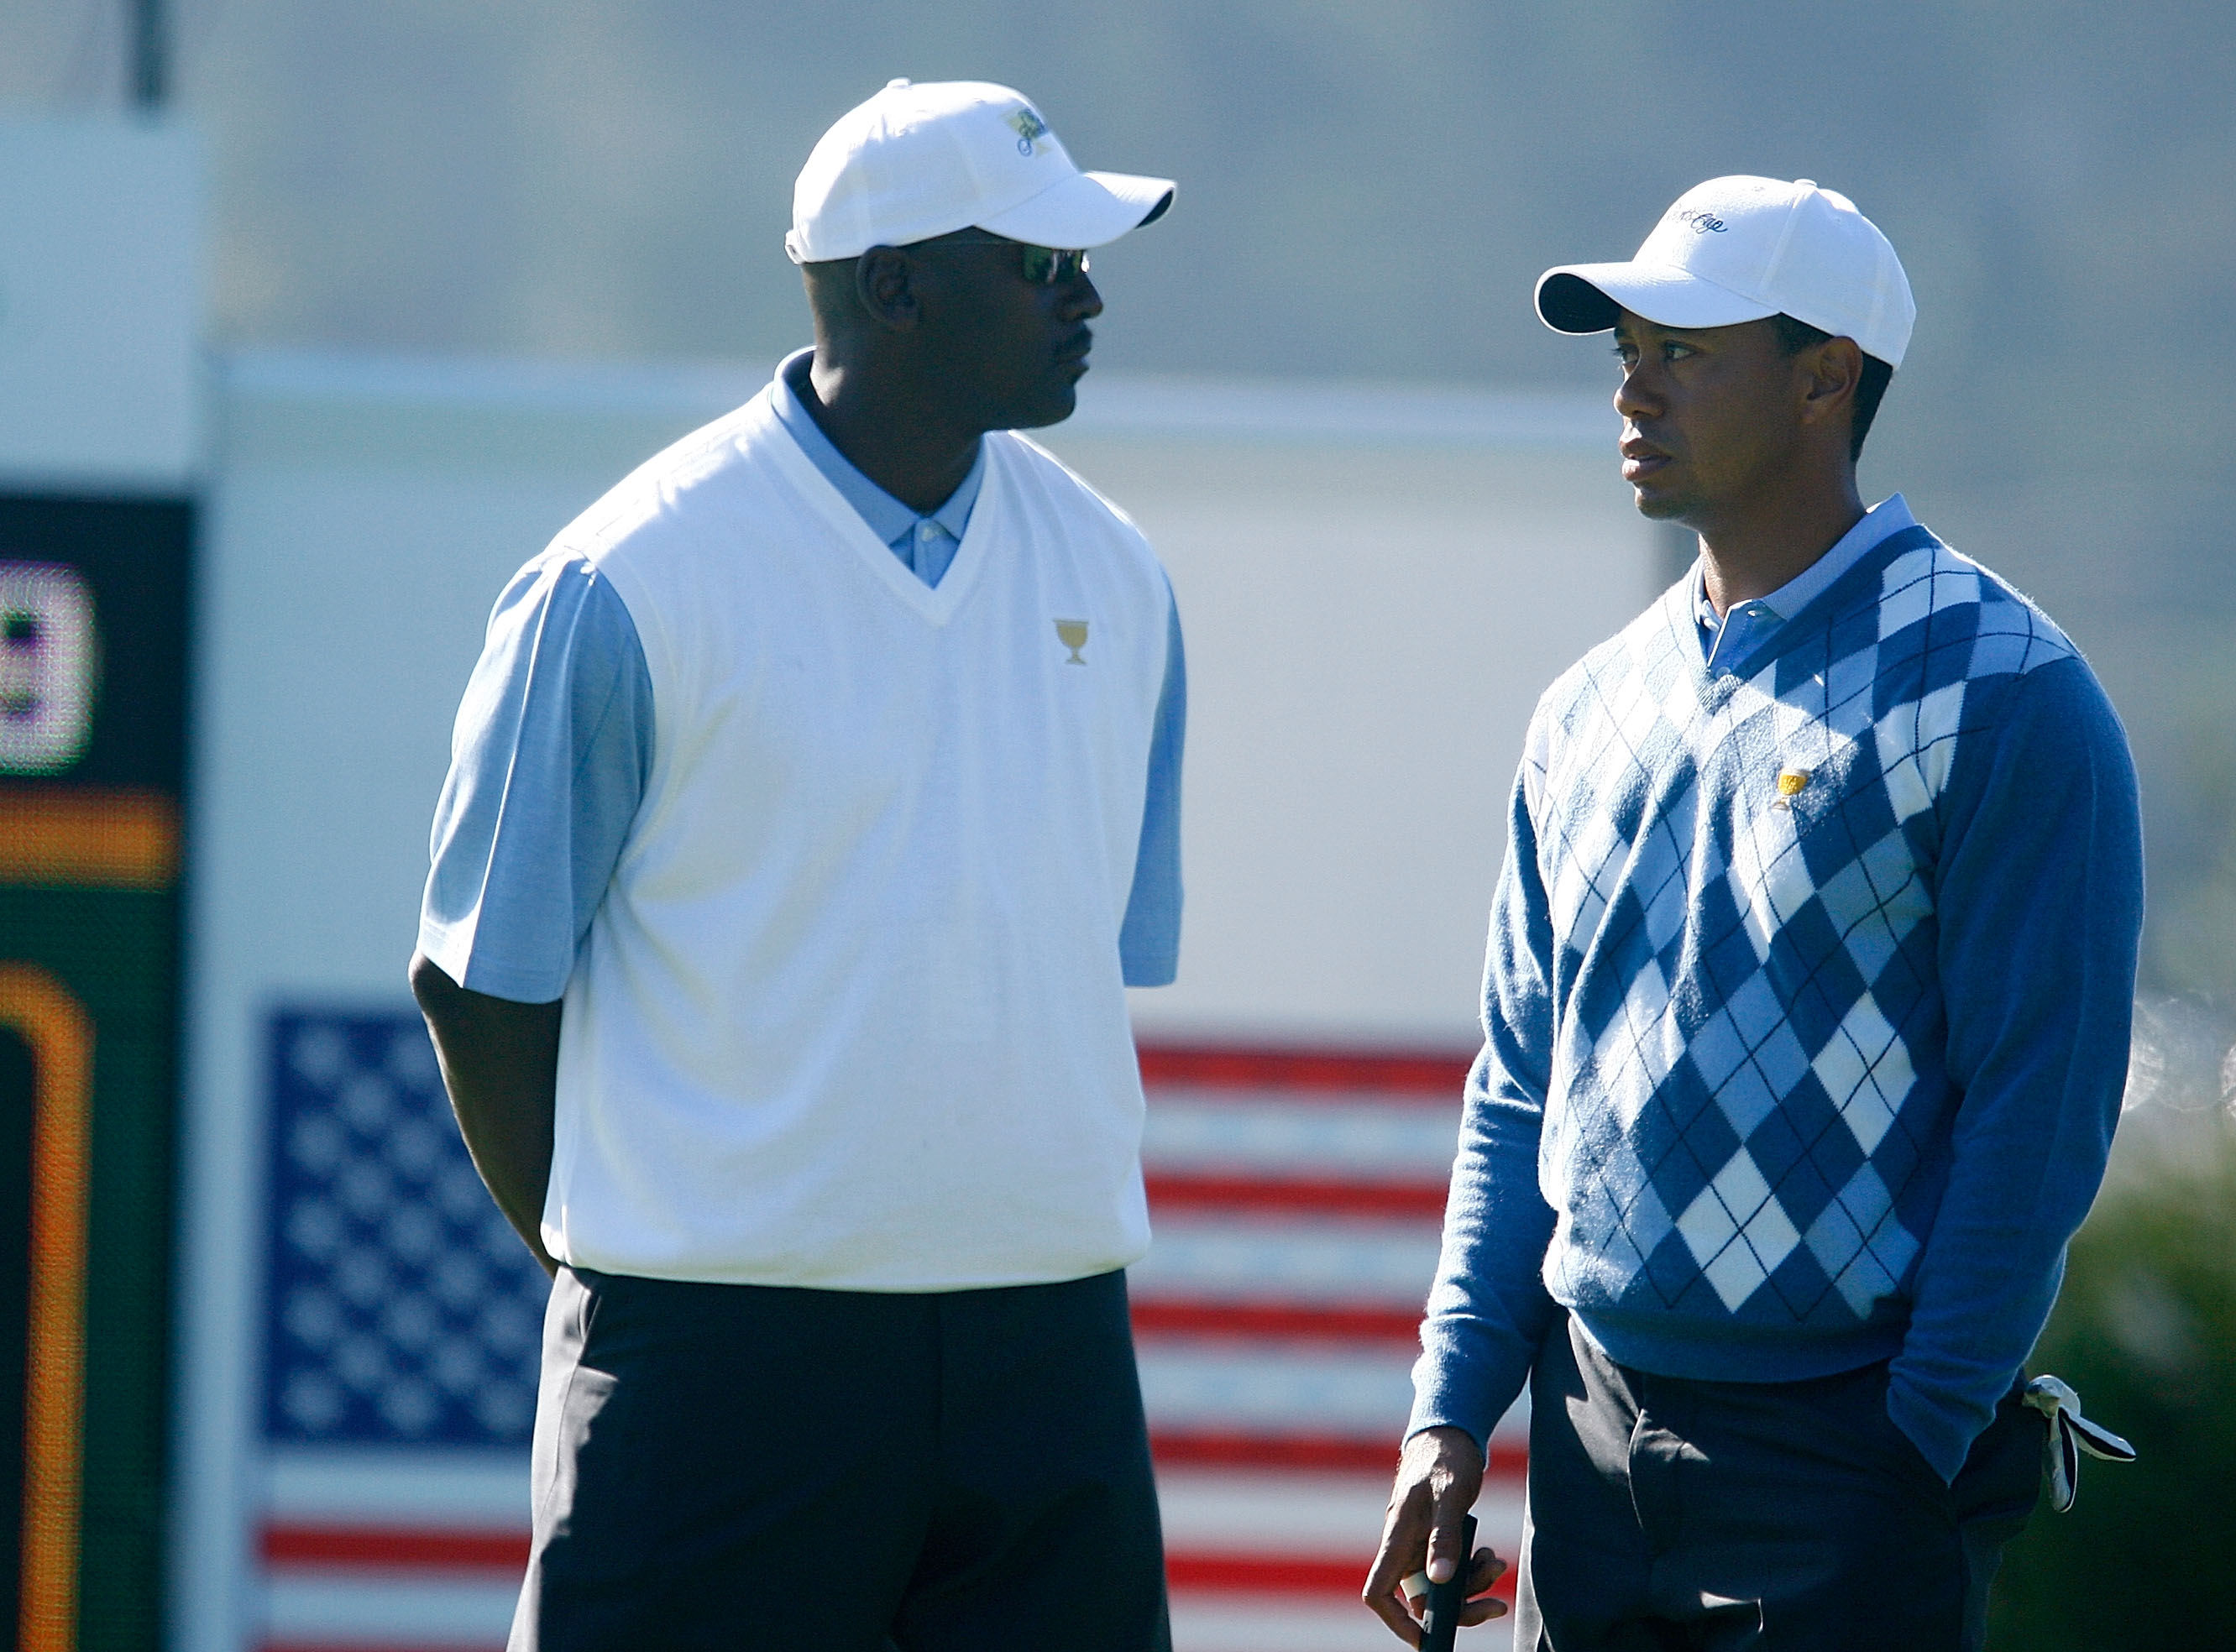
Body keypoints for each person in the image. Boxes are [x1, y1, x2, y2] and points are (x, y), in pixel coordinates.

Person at [408, 78, 1185, 1651]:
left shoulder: (1123, 573)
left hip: (1048, 1368)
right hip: (716, 1374)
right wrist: (621, 1257)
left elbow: (1076, 963)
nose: (1088, 295)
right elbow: (481, 988)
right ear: (893, 287)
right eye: (1042, 263)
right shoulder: (623, 579)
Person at [1364, 175, 2143, 1649]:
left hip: (1850, 1456)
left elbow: (2039, 1113)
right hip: (1587, 1442)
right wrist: (1450, 1415)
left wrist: (1914, 1436)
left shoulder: (2009, 695)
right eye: (1625, 351)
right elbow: (1520, 1089)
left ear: (1822, 380)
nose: (1633, 390)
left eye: (1683, 351)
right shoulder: (1586, 708)